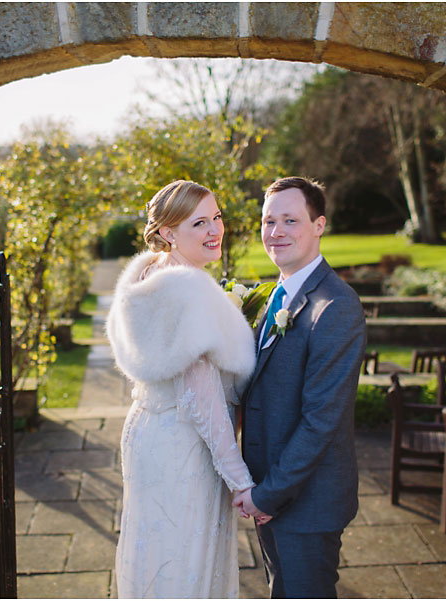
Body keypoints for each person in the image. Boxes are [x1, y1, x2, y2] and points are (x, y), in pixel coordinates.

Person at [107, 180, 259, 598]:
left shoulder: (151, 277)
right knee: (185, 560)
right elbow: (202, 398)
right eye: (199, 223)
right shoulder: (186, 289)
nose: (215, 230)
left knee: (157, 556)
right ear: (168, 233)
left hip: (148, 431)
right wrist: (240, 480)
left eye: (217, 218)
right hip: (185, 446)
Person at [233, 176, 366, 598]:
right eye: (269, 220)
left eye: (290, 220)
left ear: (319, 225)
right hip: (273, 490)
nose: (276, 232)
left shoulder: (335, 306)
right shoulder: (275, 296)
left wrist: (267, 496)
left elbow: (321, 421)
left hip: (305, 502)